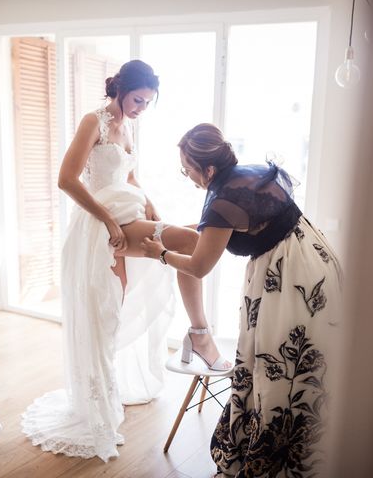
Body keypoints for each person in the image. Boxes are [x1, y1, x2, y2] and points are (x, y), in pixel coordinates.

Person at [21, 61, 229, 463]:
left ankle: (197, 333)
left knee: (177, 251)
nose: (141, 108)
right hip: (103, 222)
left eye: (148, 103)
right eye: (138, 100)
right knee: (188, 245)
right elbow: (67, 179)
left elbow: (130, 179)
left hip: (130, 213)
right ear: (121, 90)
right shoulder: (93, 121)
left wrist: (154, 211)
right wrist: (107, 220)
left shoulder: (128, 128)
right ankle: (199, 334)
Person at [140, 123, 343, 476]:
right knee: (309, 361)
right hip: (316, 261)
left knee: (278, 361)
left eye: (187, 169)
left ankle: (279, 456)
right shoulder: (253, 173)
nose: (187, 176)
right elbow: (221, 228)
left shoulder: (221, 200)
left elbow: (200, 266)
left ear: (209, 169)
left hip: (288, 280)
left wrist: (160, 254)